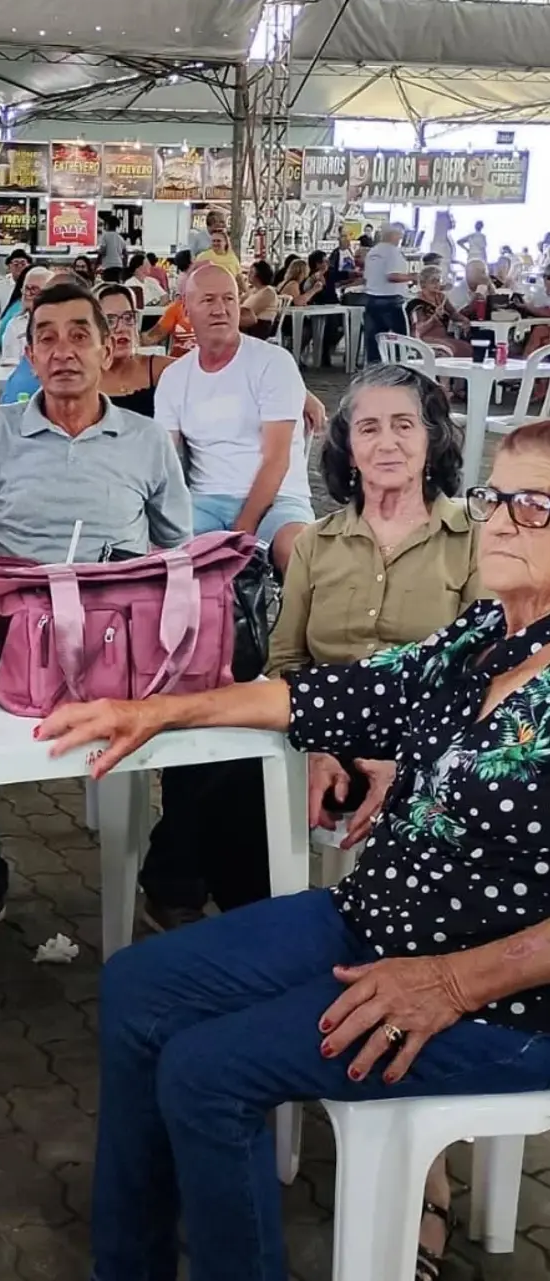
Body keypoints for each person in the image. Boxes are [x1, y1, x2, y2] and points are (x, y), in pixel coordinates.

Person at [38, 417, 550, 1281]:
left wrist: (454, 982)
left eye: (533, 504)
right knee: (135, 983)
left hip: (501, 995)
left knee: (205, 1074)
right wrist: (158, 710)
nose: (499, 518)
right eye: (496, 495)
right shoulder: (482, 637)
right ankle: (129, 1265)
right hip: (376, 919)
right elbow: (328, 693)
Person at [0, 280, 194, 962]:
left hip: (117, 643)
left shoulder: (146, 440)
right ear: (28, 352)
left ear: (108, 345)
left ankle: (170, 880)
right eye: (47, 337)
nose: (63, 351)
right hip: (9, 636)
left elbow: (177, 553)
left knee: (208, 726)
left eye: (79, 334)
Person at [138, 365, 477, 958]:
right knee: (218, 764)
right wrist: (315, 744)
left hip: (431, 734)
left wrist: (406, 755)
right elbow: (287, 658)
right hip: (327, 722)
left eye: (404, 425)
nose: (387, 442)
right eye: (368, 428)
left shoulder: (473, 538)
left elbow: (481, 672)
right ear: (348, 449)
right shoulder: (316, 543)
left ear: (433, 441)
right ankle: (253, 924)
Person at [155, 263, 315, 573]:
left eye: (229, 299)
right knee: (154, 553)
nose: (221, 309)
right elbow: (165, 460)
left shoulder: (272, 362)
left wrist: (240, 532)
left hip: (278, 498)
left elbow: (277, 460)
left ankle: (299, 623)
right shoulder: (175, 376)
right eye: (209, 300)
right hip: (205, 501)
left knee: (297, 551)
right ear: (186, 309)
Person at [95, 283, 174, 417]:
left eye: (128, 317)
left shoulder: (162, 370)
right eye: (110, 321)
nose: (121, 328)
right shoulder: (82, 380)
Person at [363, 223, 414, 364]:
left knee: (374, 339)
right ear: (394, 235)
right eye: (400, 236)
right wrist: (413, 277)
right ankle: (399, 367)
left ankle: (374, 368)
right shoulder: (393, 252)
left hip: (372, 298)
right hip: (391, 300)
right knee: (399, 340)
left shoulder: (373, 251)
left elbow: (367, 276)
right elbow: (393, 276)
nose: (400, 239)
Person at [408, 265, 472, 357]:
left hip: (442, 337)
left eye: (439, 280)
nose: (437, 284)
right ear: (423, 283)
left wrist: (464, 319)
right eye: (433, 281)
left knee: (466, 347)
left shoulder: (441, 297)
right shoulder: (417, 302)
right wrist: (434, 317)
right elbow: (419, 330)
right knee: (448, 350)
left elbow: (453, 313)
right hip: (424, 338)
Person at [0, 266, 52, 366]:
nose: (28, 293)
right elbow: (9, 364)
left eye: (34, 289)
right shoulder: (15, 324)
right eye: (26, 288)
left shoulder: (59, 322)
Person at [0, 248, 31, 324]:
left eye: (23, 264)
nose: (20, 267)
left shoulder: (32, 286)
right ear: (9, 267)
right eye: (16, 264)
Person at [240, 260, 280, 337]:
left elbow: (250, 311)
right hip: (248, 324)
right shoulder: (252, 290)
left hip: (260, 326)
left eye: (251, 272)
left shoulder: (268, 292)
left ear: (260, 275)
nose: (248, 275)